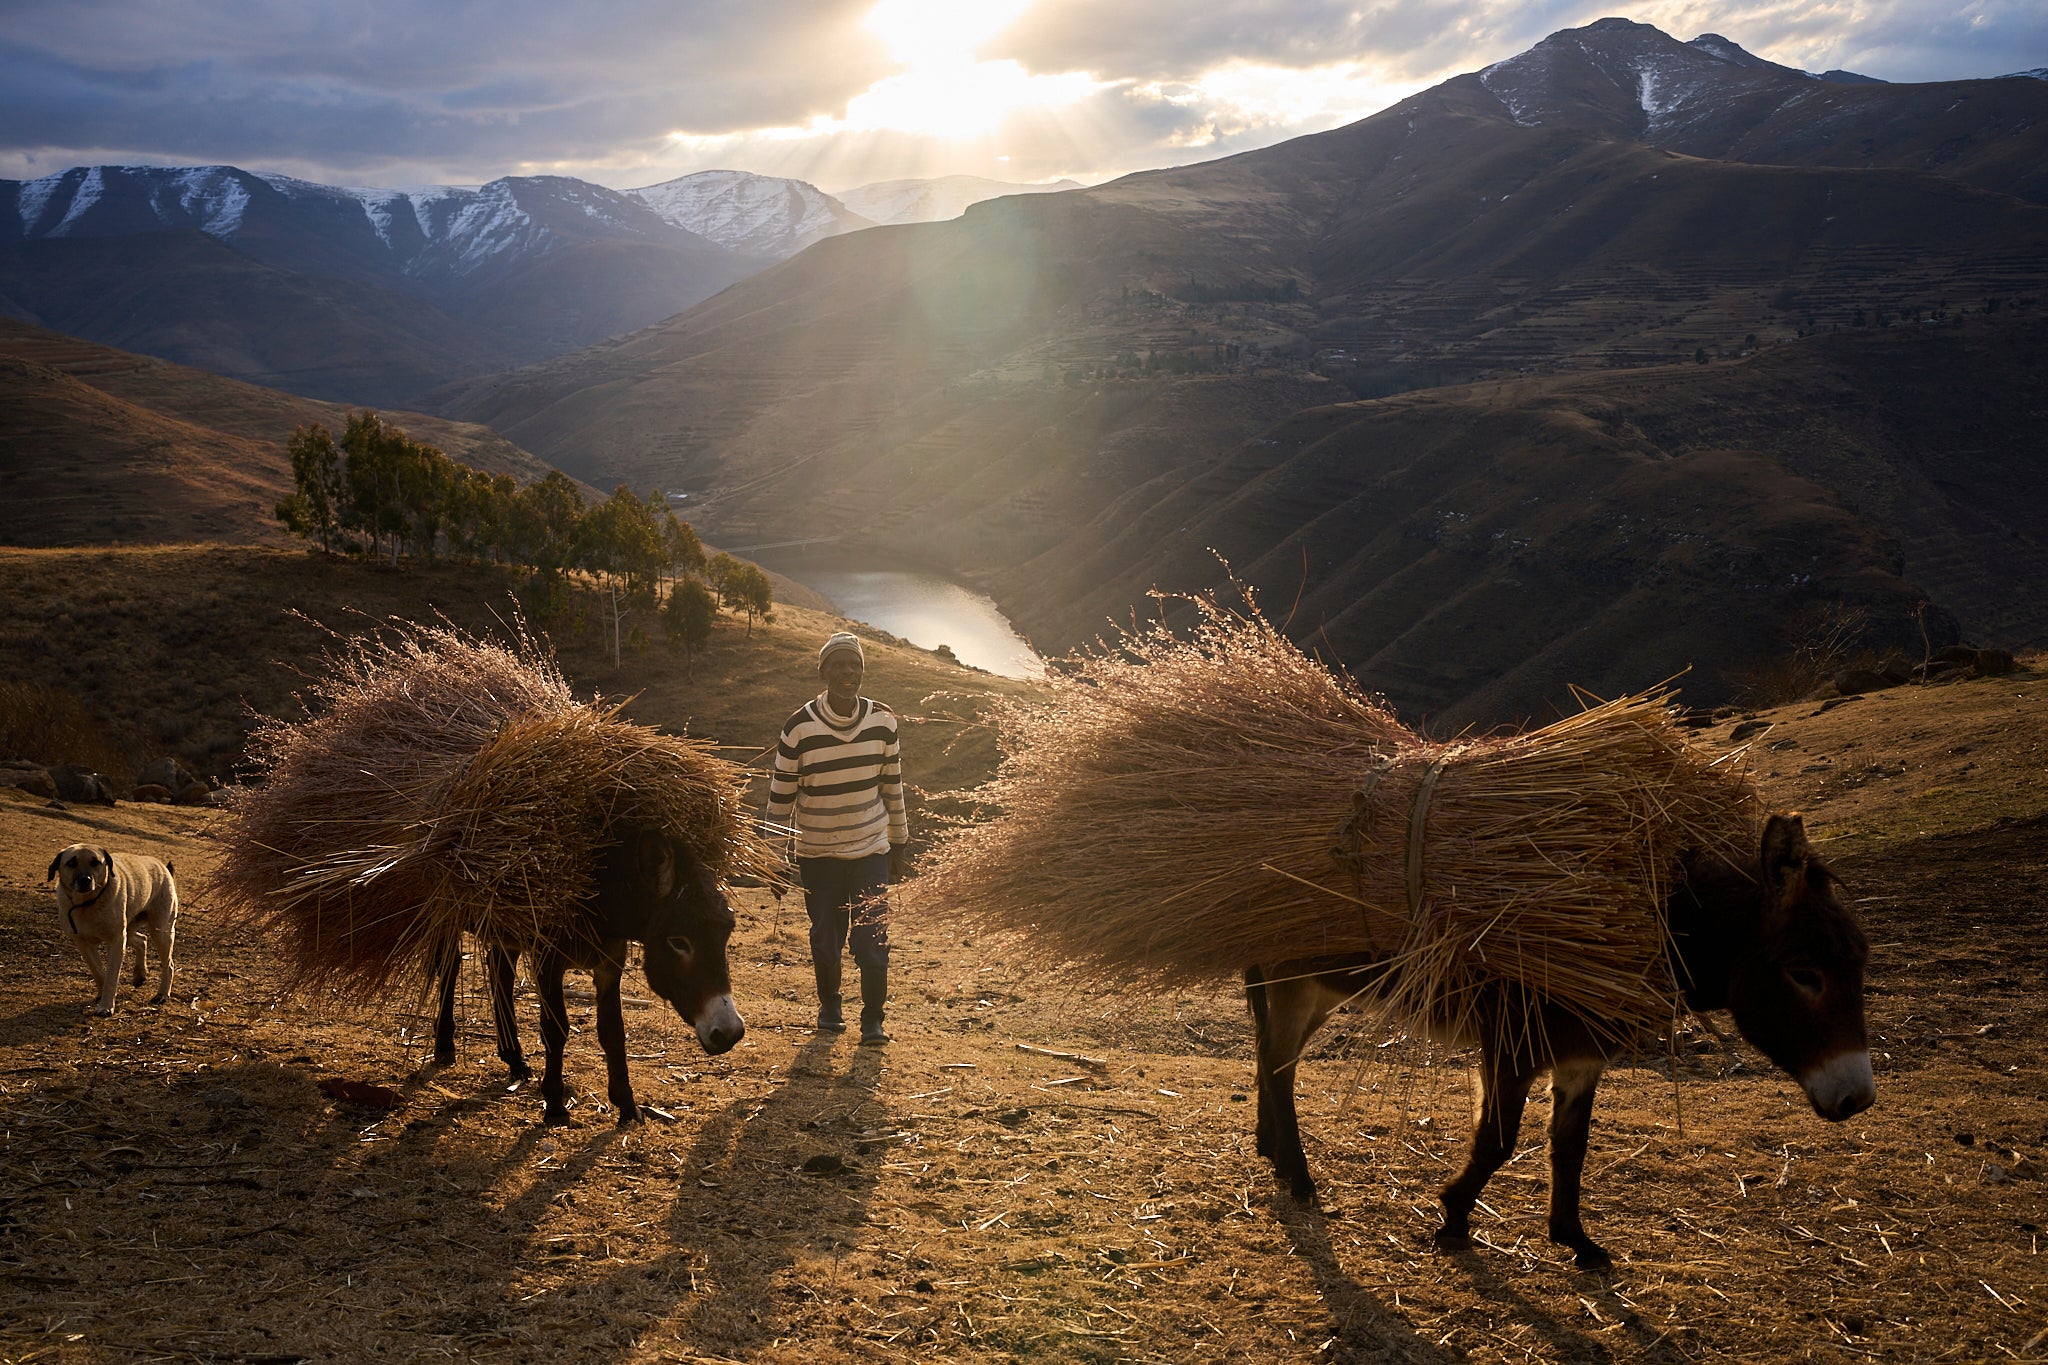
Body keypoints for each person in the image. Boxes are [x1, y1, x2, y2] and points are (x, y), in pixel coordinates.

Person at [764, 631, 908, 1044]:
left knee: (871, 938)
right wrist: (773, 860)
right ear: (823, 671)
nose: (848, 673)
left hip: (869, 849)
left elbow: (893, 787)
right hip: (818, 853)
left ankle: (873, 1021)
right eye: (839, 665)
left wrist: (899, 842)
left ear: (863, 671)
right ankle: (830, 1009)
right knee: (826, 937)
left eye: (855, 665)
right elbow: (780, 801)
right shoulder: (798, 728)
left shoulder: (883, 723)